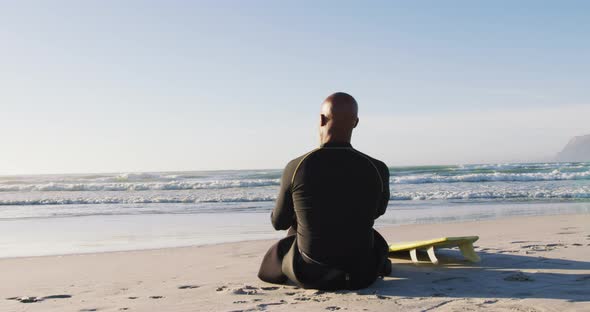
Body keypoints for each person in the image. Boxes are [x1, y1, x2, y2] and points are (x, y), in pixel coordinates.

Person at [257, 92, 391, 290]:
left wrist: (299, 216)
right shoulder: (377, 168)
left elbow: (279, 222)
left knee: (291, 235)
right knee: (372, 237)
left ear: (321, 119)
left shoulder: (297, 167)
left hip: (312, 274)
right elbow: (377, 212)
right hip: (361, 274)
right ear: (356, 122)